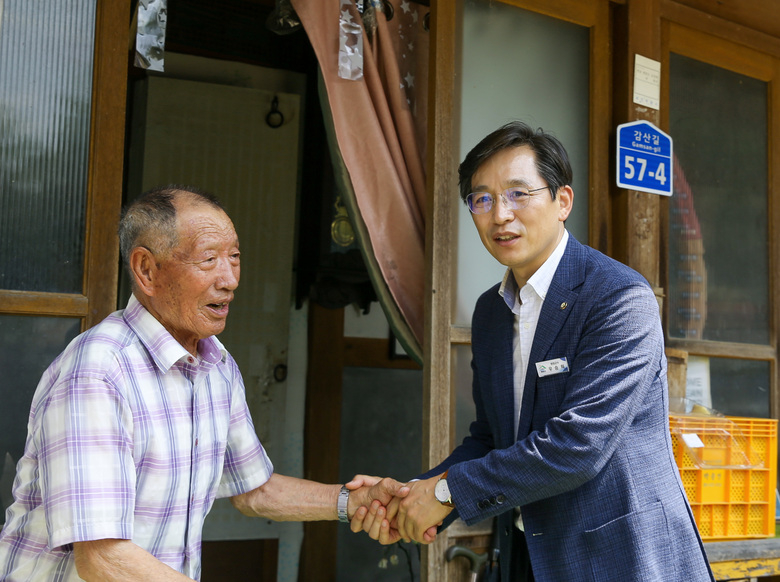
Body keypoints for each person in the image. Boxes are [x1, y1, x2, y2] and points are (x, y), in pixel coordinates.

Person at [353, 122, 715, 581]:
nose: (500, 214)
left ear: (563, 201)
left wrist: (444, 494)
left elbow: (577, 446)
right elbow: (491, 439)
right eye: (482, 199)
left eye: (518, 193)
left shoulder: (619, 298)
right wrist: (412, 494)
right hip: (529, 554)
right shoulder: (489, 312)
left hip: (622, 557)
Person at [0, 186, 405, 581]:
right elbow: (103, 559)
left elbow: (254, 491)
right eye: (209, 259)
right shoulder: (99, 370)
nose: (229, 280)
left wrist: (351, 502)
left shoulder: (217, 364)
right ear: (147, 270)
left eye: (235, 257)